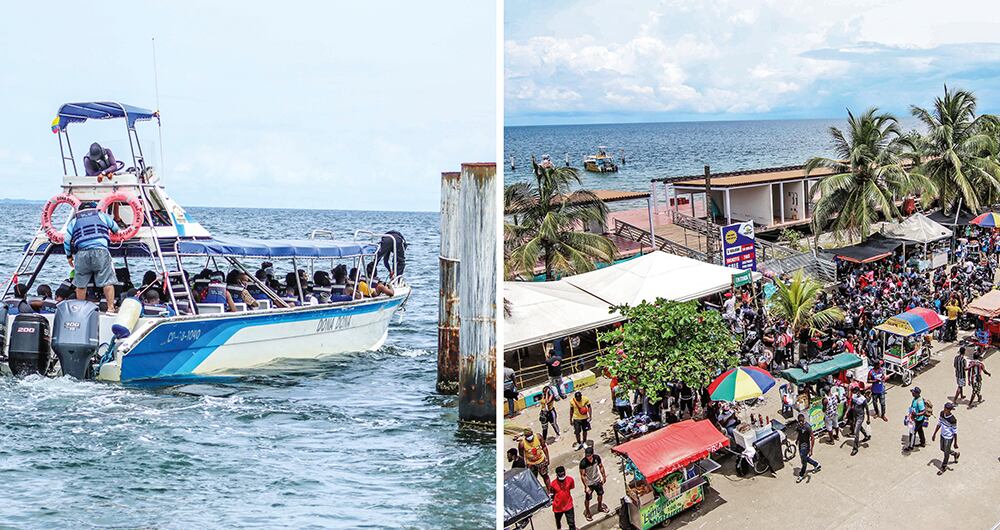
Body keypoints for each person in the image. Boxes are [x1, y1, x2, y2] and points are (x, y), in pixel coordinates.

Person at [63, 202, 121, 313]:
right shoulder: (101, 216)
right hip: (101, 251)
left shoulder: (74, 221)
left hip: (81, 254)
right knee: (107, 281)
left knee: (80, 285)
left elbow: (66, 241)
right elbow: (115, 228)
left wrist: (69, 257)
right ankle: (110, 309)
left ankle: (80, 311)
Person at [579, 446, 608, 522]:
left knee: (600, 494)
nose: (588, 457)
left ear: (592, 454)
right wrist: (586, 486)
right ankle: (588, 511)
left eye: (589, 455)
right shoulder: (583, 463)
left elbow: (601, 466)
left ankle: (599, 506)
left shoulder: (596, 458)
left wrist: (603, 476)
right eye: (587, 455)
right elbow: (582, 475)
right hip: (589, 483)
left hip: (597, 480)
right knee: (588, 498)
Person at [931, 402, 960, 475]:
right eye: (944, 408)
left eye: (946, 409)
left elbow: (955, 432)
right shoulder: (941, 413)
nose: (944, 410)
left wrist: (955, 443)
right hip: (942, 435)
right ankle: (955, 454)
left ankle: (943, 467)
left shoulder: (953, 420)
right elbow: (939, 423)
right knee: (942, 449)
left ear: (949, 410)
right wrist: (934, 434)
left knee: (946, 454)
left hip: (949, 438)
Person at [795, 413, 821, 483]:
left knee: (804, 461)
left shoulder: (808, 427)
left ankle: (801, 475)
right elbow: (799, 434)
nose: (801, 423)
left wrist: (811, 450)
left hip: (806, 445)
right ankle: (816, 464)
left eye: (802, 421)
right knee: (803, 458)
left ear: (804, 420)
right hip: (800, 445)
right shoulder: (798, 426)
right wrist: (797, 440)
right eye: (799, 421)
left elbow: (812, 438)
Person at [550, 466, 576, 530]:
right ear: (556, 474)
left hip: (568, 505)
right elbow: (552, 494)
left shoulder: (570, 480)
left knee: (571, 523)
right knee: (558, 521)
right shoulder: (553, 484)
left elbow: (571, 487)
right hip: (557, 507)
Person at [904, 387, 927, 451]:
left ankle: (910, 446)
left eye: (913, 392)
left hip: (917, 420)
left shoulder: (919, 402)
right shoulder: (915, 398)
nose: (912, 393)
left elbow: (923, 411)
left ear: (917, 393)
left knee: (912, 432)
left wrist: (916, 415)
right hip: (916, 418)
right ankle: (923, 442)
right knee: (920, 430)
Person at [850, 391, 871, 456]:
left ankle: (855, 448)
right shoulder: (854, 397)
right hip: (855, 416)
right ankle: (866, 436)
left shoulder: (863, 400)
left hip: (860, 417)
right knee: (858, 427)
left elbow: (867, 410)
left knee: (856, 432)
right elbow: (851, 406)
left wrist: (868, 419)